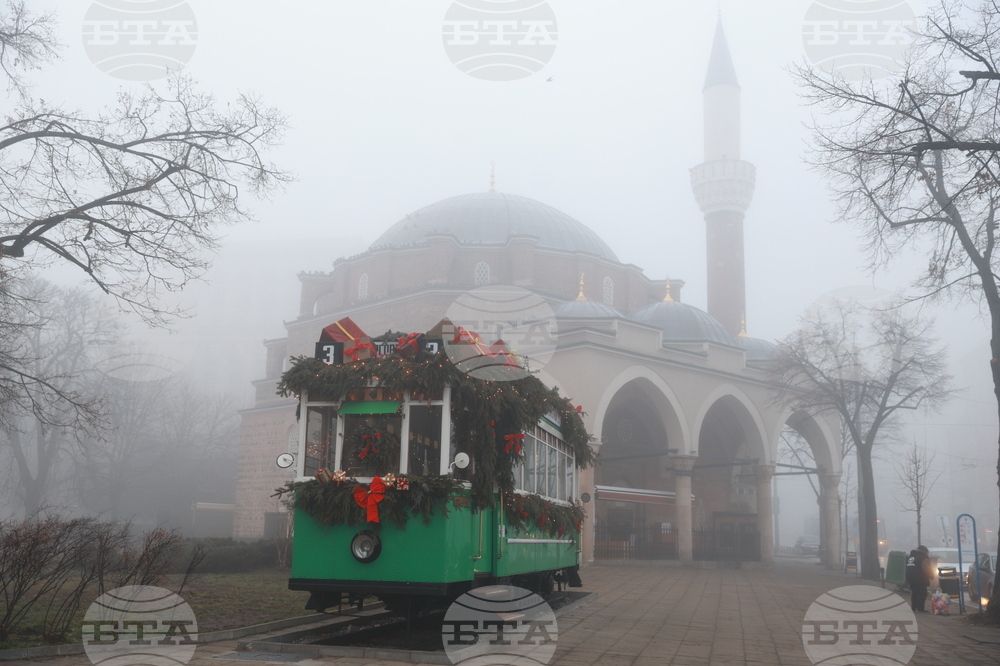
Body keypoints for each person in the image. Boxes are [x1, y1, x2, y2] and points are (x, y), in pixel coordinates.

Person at [905, 545, 931, 612]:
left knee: (915, 592)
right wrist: (932, 575)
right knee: (923, 593)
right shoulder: (923, 557)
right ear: (924, 551)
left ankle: (913, 608)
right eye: (926, 552)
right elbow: (926, 568)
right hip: (920, 577)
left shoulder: (911, 557)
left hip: (910, 577)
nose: (927, 554)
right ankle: (920, 608)